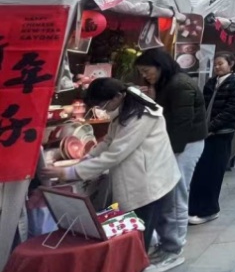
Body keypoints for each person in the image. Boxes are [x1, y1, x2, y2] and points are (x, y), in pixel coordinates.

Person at [44, 79, 180, 254]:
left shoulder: (140, 116)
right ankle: (152, 254)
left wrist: (70, 172)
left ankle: (152, 259)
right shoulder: (126, 105)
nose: (102, 109)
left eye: (103, 105)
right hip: (147, 173)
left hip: (149, 178)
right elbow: (109, 141)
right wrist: (86, 158)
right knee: (148, 222)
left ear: (117, 96)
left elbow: (115, 154)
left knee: (143, 225)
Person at [134, 49, 206, 272]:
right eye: (142, 72)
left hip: (184, 146)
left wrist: (170, 153)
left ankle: (173, 250)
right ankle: (167, 245)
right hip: (176, 145)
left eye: (147, 70)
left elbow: (182, 124)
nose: (145, 75)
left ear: (160, 65)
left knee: (175, 195)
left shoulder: (180, 84)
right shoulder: (169, 83)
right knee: (169, 195)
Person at [188, 52, 235, 224]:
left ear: (231, 64)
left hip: (221, 134)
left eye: (221, 63)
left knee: (213, 173)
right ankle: (194, 208)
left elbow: (231, 111)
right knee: (200, 172)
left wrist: (210, 127)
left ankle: (209, 210)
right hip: (204, 133)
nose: (217, 67)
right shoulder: (211, 82)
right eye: (215, 64)